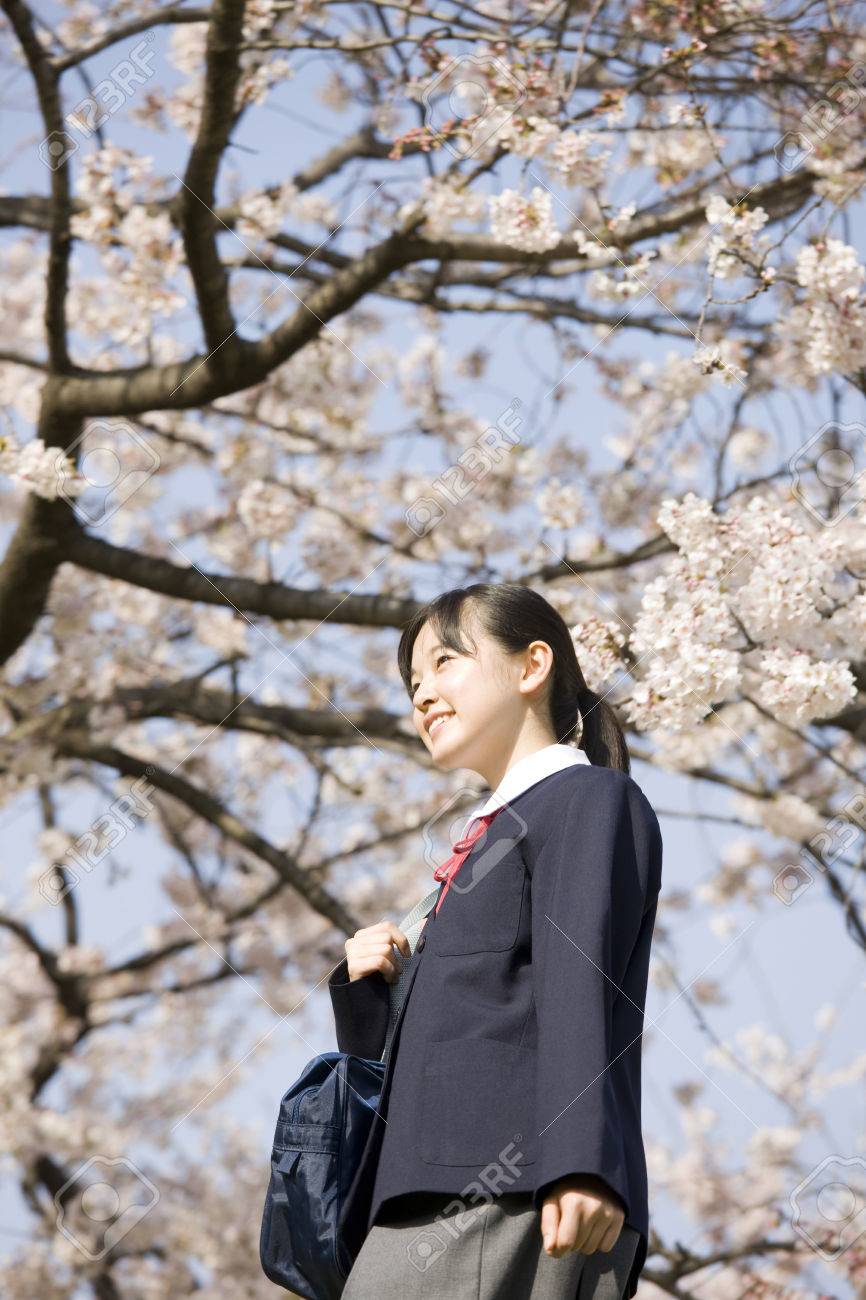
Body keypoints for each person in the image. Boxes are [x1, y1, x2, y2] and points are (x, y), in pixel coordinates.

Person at [328, 582, 663, 1299]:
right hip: (432, 1192)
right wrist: (373, 988)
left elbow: (581, 982)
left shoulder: (584, 799)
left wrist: (581, 1163)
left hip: (513, 1192)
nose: (423, 694)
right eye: (414, 681)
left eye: (447, 662)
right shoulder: (482, 842)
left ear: (531, 666)